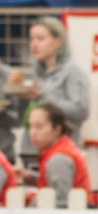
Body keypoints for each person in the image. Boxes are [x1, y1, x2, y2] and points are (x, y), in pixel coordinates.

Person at [16, 17, 89, 148]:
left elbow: (81, 111)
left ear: (58, 41)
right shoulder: (35, 73)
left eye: (40, 38)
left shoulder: (72, 71)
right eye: (32, 39)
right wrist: (22, 98)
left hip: (62, 149)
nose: (34, 44)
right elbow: (24, 120)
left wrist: (43, 96)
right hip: (31, 150)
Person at [15, 103, 94, 208]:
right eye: (30, 126)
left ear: (57, 129)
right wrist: (29, 177)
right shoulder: (60, 149)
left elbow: (61, 202)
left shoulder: (58, 159)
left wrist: (30, 203)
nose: (32, 133)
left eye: (39, 127)